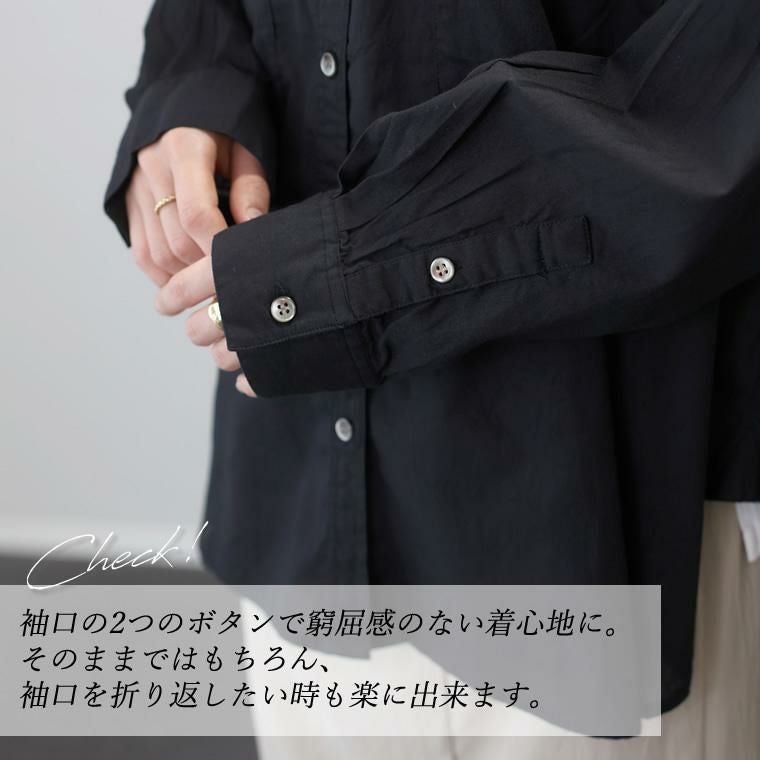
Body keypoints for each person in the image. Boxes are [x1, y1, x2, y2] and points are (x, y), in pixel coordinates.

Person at [103, 0, 760, 756]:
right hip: (303, 510)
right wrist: (190, 88)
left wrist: (339, 274)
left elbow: (721, 96)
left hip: (603, 511)